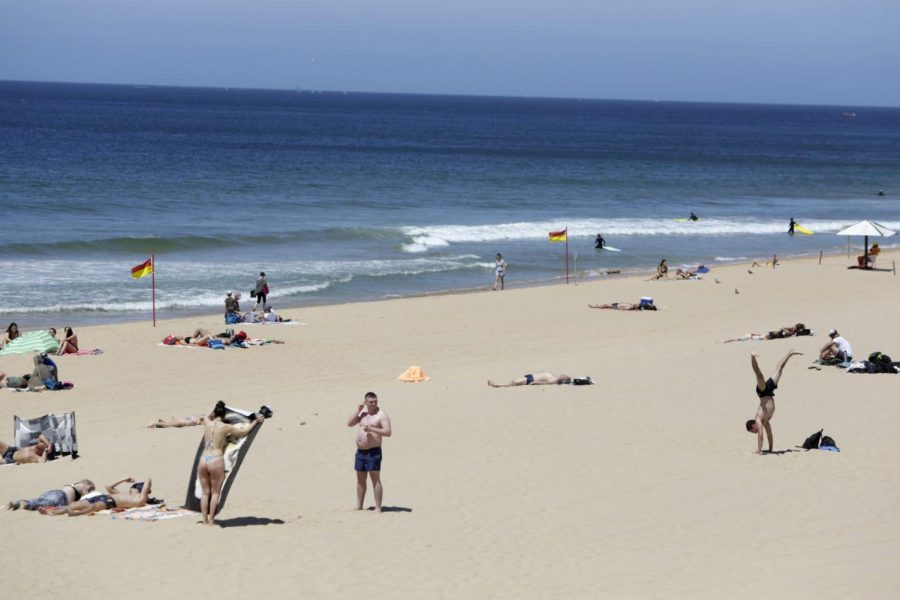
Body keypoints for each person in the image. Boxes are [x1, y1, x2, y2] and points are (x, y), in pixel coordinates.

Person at [197, 401, 264, 526]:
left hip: (203, 459)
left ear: (215, 413)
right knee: (215, 492)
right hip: (216, 459)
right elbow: (244, 432)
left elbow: (209, 414)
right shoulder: (225, 427)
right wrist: (255, 421)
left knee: (205, 493)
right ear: (224, 415)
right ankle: (211, 521)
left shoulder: (206, 421)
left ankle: (204, 521)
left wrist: (217, 406)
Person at [746, 351, 802, 454]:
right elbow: (770, 435)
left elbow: (761, 436)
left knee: (759, 374)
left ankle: (752, 356)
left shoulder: (758, 419)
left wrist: (759, 451)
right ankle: (790, 353)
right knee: (779, 370)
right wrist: (771, 449)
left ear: (753, 426)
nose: (754, 433)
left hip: (763, 392)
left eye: (752, 431)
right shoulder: (765, 422)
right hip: (769, 391)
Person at [347, 392, 392, 512]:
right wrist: (357, 410)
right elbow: (349, 423)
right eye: (371, 402)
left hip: (373, 451)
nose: (373, 404)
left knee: (375, 479)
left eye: (375, 401)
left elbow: (388, 432)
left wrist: (371, 428)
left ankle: (378, 507)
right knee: (360, 479)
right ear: (365, 402)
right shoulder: (363, 413)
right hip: (360, 452)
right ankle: (359, 505)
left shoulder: (381, 415)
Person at [41, 478, 151, 516]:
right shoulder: (124, 494)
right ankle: (53, 513)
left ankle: (75, 514)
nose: (130, 489)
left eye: (132, 488)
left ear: (139, 490)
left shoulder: (140, 499)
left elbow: (148, 480)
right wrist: (124, 479)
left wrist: (141, 484)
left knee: (93, 507)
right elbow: (108, 486)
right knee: (73, 505)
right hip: (103, 497)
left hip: (109, 502)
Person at [7, 479, 95, 511]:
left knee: (38, 501)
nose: (90, 491)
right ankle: (23, 504)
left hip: (54, 493)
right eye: (91, 489)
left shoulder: (74, 484)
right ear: (88, 485)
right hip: (61, 498)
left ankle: (16, 504)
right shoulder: (84, 487)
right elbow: (87, 498)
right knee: (40, 504)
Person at [488, 372, 572, 387]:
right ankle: (499, 384)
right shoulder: (556, 376)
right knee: (513, 381)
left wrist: (535, 382)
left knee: (514, 382)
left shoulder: (554, 381)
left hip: (531, 379)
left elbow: (545, 383)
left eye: (564, 377)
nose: (564, 375)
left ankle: (497, 385)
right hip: (531, 376)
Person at [588, 301, 657, 311]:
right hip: (617, 304)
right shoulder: (633, 306)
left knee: (606, 305)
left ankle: (594, 307)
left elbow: (624, 309)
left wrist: (620, 308)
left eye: (637, 304)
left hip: (615, 306)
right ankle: (597, 306)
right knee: (606, 304)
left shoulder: (632, 307)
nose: (636, 303)